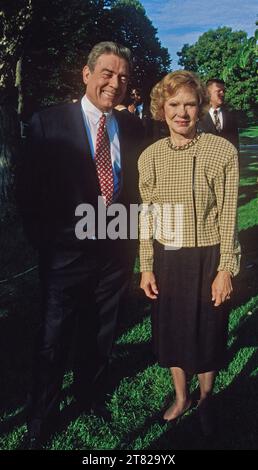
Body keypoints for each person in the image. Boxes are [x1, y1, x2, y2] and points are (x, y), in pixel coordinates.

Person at [17, 41, 143, 448]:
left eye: (123, 77)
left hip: (114, 251)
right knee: (53, 337)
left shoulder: (135, 127)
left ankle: (91, 395)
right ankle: (42, 417)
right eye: (107, 73)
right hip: (65, 254)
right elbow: (27, 189)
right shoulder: (48, 122)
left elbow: (138, 189)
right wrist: (46, 242)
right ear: (86, 74)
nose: (115, 83)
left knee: (101, 330)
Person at [138, 71, 240, 433]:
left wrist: (225, 268)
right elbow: (146, 218)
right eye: (174, 104)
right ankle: (181, 397)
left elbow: (229, 214)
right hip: (169, 258)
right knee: (173, 331)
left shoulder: (222, 151)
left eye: (189, 104)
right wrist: (147, 266)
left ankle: (206, 397)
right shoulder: (149, 157)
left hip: (209, 255)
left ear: (200, 107)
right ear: (161, 108)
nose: (181, 112)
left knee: (209, 330)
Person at [198, 78, 239, 151]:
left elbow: (235, 145)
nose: (222, 94)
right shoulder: (198, 116)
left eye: (223, 91)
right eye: (218, 91)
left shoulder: (231, 116)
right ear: (208, 93)